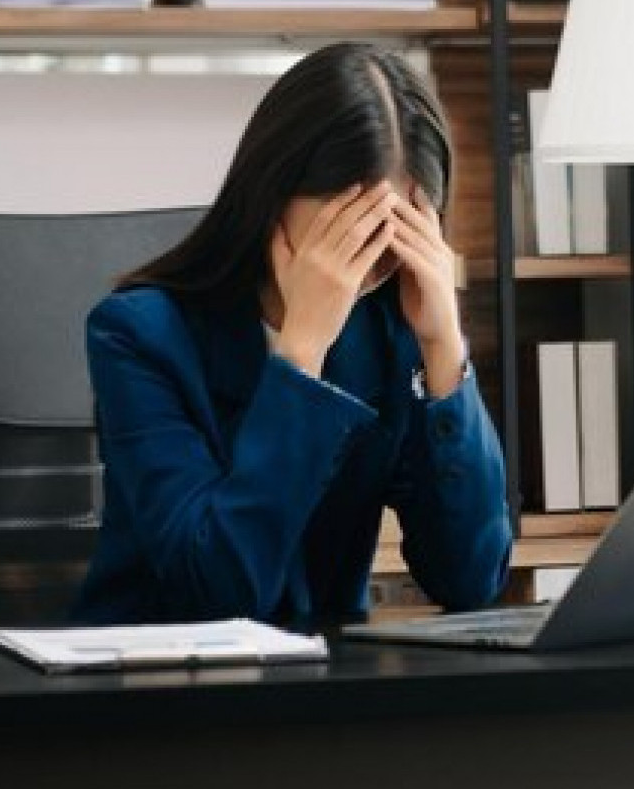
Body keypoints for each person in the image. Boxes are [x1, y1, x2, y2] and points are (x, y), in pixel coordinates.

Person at [72, 43, 514, 626]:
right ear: (272, 193)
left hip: (326, 691)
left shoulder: (390, 328)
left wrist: (443, 351)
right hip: (161, 689)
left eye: (398, 229)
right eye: (351, 224)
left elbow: (471, 580)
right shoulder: (140, 335)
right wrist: (300, 354)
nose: (371, 257)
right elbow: (216, 595)